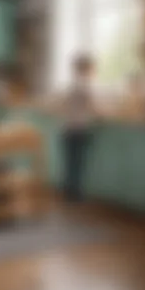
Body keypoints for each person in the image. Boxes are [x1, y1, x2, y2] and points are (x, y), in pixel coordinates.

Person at [60, 54, 98, 202]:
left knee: (70, 162)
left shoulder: (72, 84)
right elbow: (92, 107)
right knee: (78, 163)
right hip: (79, 128)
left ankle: (68, 193)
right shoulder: (84, 85)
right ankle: (75, 195)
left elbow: (62, 104)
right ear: (86, 68)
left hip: (67, 128)